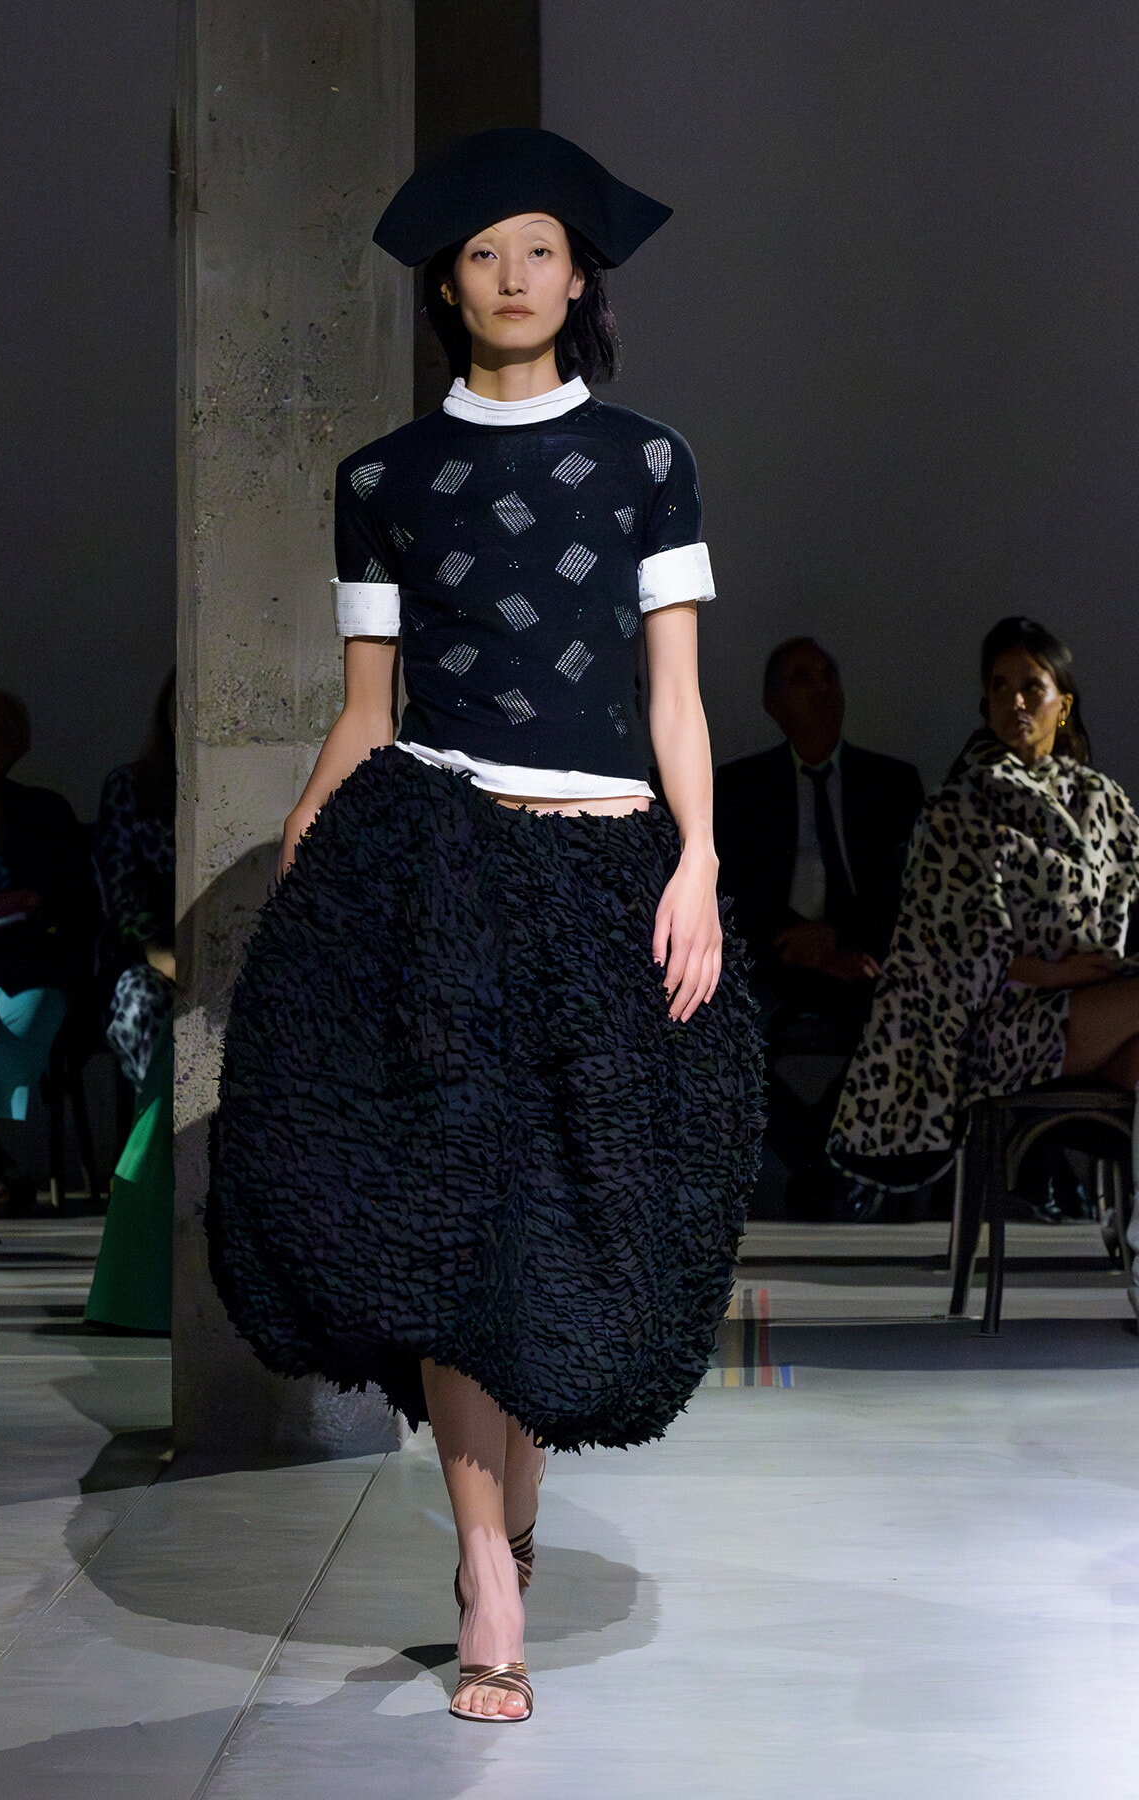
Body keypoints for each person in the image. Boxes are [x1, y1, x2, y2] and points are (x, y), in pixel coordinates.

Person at [207, 128, 763, 1723]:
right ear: (445, 290)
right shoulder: (385, 480)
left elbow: (674, 691)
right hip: (439, 869)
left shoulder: (649, 460)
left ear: (579, 277)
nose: (512, 278)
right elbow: (367, 712)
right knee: (449, 1214)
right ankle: (487, 1571)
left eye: (538, 251)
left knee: (570, 1216)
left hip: (606, 879)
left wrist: (700, 860)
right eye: (480, 256)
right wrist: (310, 851)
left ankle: (505, 1501)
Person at [831, 618, 1139, 1309]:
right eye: (1000, 689)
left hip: (1095, 1009)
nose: (1016, 703)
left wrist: (1099, 964)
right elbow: (970, 954)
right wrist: (1072, 971)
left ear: (1066, 701)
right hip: (1000, 1030)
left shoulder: (1108, 806)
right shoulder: (957, 809)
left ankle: (1136, 1245)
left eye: (1033, 687)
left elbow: (1117, 918)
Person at [714, 637, 923, 1213]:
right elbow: (732, 888)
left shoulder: (891, 784)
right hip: (769, 956)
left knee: (907, 1025)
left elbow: (901, 888)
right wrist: (795, 942)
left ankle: (825, 1158)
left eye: (830, 674)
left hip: (856, 956)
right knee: (718, 1031)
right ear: (771, 703)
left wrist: (837, 939)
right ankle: (813, 1159)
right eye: (804, 677)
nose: (824, 687)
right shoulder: (739, 788)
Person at [0, 690, 98, 1218]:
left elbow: (75, 899)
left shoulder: (44, 810)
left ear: (9, 744)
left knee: (36, 1005)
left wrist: (30, 910)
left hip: (26, 959)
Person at [84, 670, 176, 1333]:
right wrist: (164, 956)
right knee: (141, 1006)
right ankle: (153, 1152)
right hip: (146, 959)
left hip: (227, 961)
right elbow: (122, 896)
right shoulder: (134, 789)